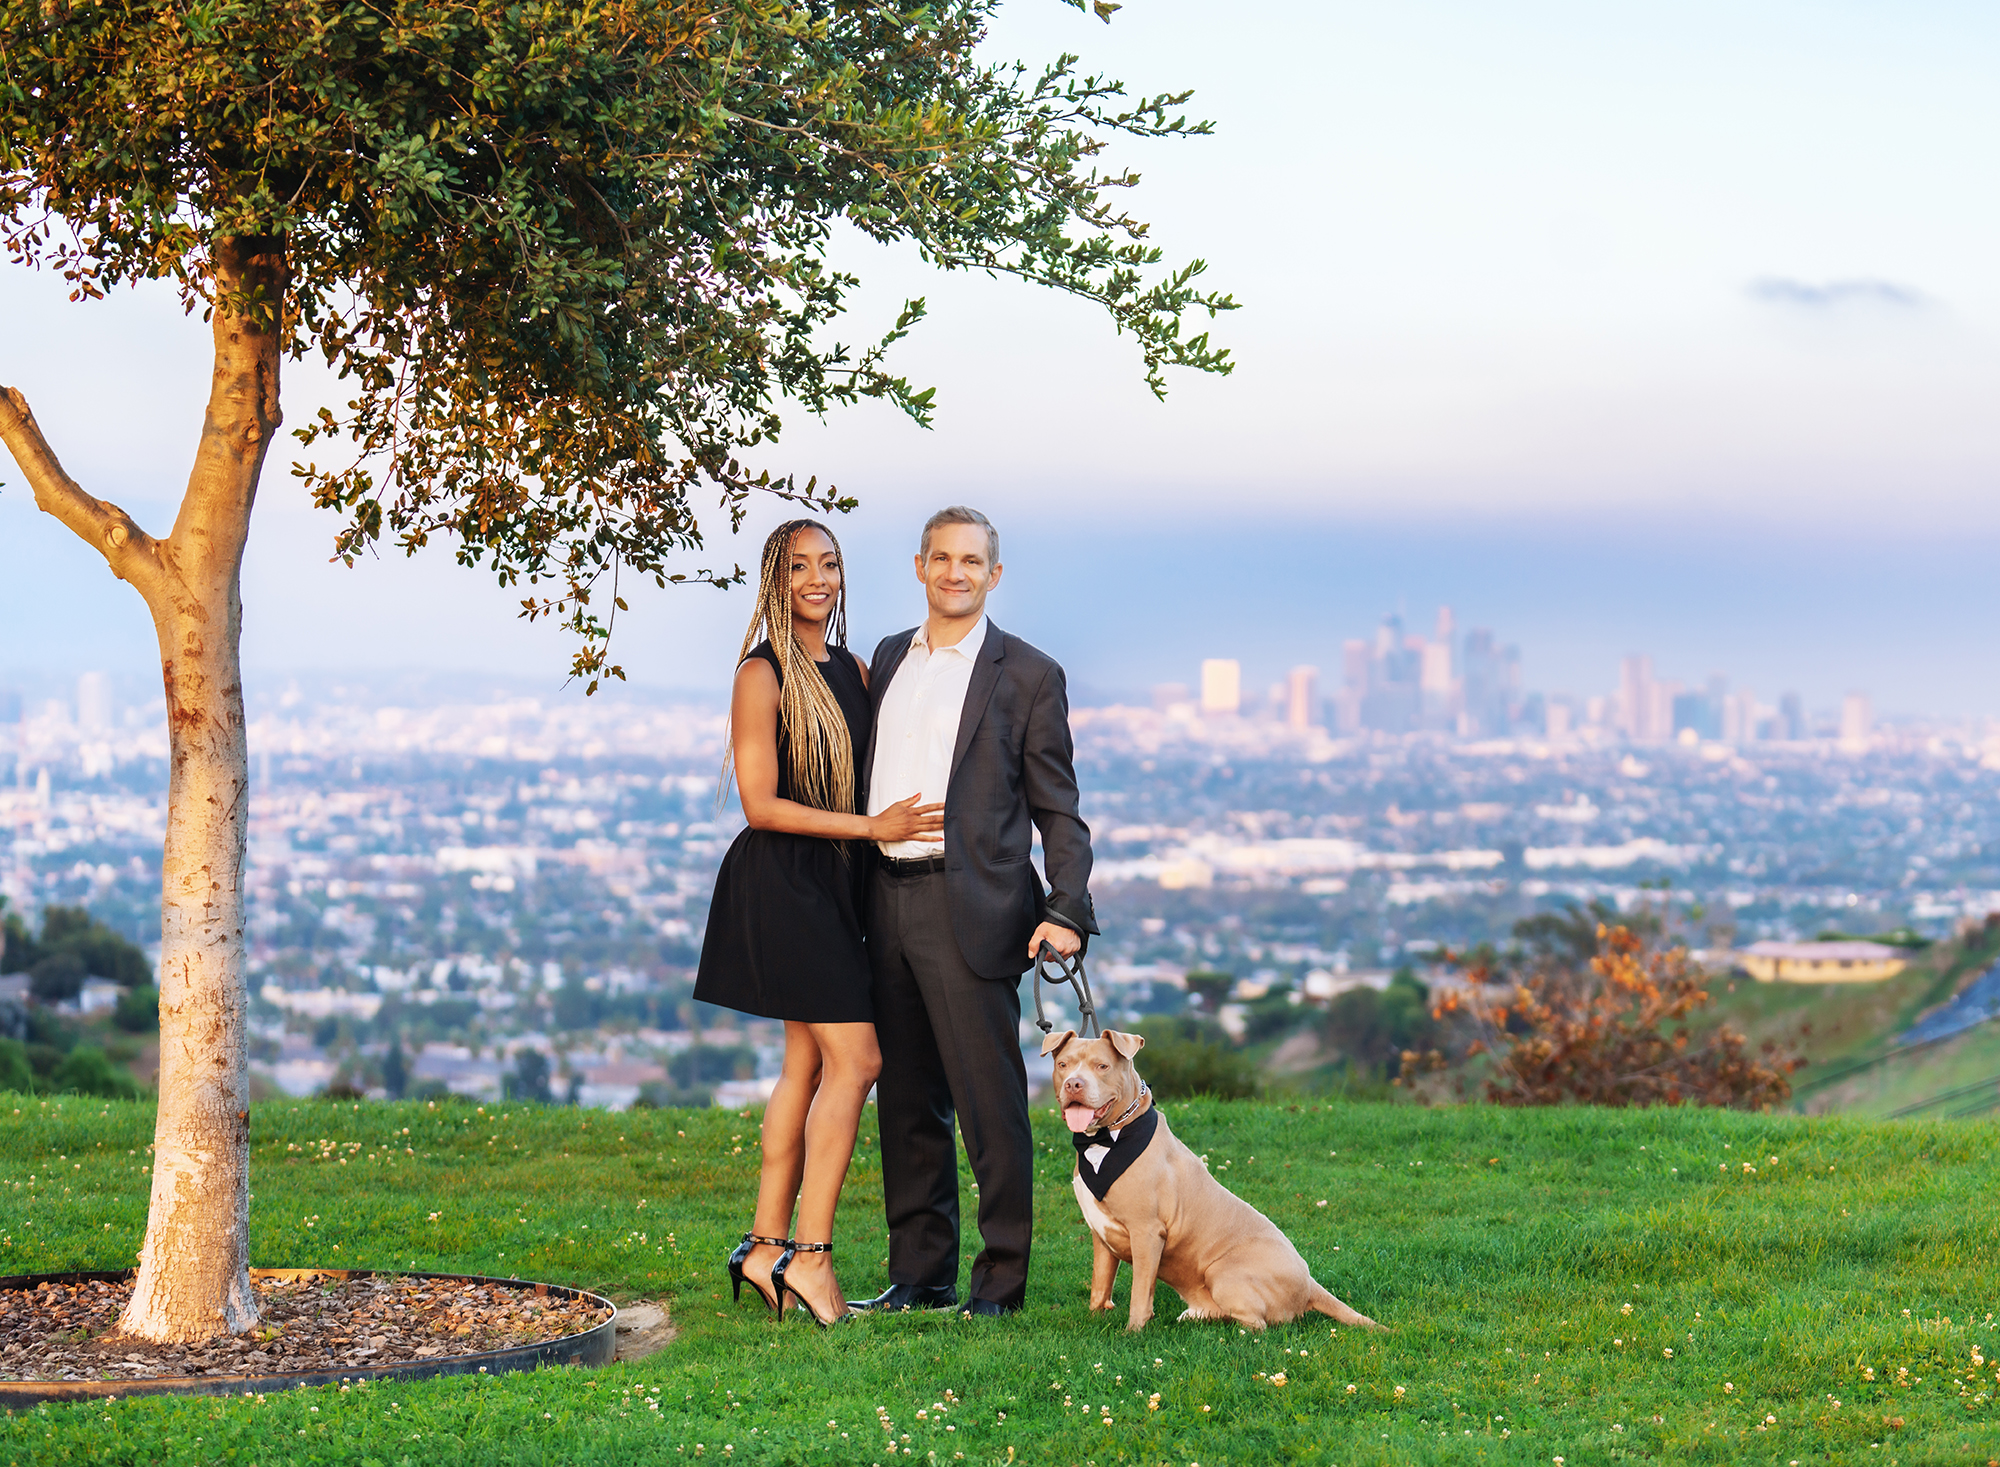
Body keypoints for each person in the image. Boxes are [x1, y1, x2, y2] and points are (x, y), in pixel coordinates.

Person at [694, 518, 943, 1326]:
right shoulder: (761, 673)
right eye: (798, 565)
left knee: (805, 1062)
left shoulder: (856, 667)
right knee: (859, 1057)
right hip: (784, 884)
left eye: (828, 563)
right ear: (774, 578)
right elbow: (761, 804)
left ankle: (765, 1247)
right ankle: (814, 1257)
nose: (817, 578)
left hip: (838, 885)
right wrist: (874, 831)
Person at [852, 505, 1098, 1316]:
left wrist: (1066, 907)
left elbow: (1058, 810)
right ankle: (919, 1276)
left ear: (994, 576)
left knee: (990, 1106)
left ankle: (1000, 1283)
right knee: (908, 1102)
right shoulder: (888, 657)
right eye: (941, 558)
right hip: (884, 899)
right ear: (919, 566)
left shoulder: (1029, 673)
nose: (955, 572)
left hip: (975, 907)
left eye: (972, 561)